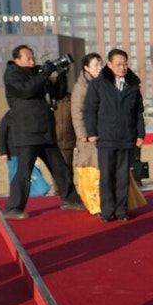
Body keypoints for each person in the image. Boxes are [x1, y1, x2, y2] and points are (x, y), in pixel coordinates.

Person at [2, 44, 84, 219]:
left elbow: (58, 95)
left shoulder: (37, 74)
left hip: (46, 130)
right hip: (27, 133)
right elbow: (27, 90)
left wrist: (61, 75)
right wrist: (45, 73)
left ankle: (70, 199)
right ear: (17, 60)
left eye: (33, 58)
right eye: (28, 58)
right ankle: (13, 207)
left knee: (60, 168)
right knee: (24, 171)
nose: (32, 62)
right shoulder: (12, 75)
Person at [84, 48, 145, 223]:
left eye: (125, 64)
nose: (122, 67)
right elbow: (90, 109)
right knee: (106, 176)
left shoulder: (133, 85)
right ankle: (107, 210)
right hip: (105, 137)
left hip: (127, 137)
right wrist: (92, 132)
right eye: (118, 64)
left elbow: (138, 113)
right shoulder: (98, 84)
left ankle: (121, 210)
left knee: (123, 177)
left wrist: (140, 134)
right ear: (109, 65)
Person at [71, 53, 104, 215]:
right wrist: (81, 133)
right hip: (87, 137)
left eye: (100, 64)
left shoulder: (103, 82)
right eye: (95, 65)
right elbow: (76, 111)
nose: (99, 67)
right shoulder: (81, 86)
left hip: (103, 133)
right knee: (91, 171)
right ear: (86, 68)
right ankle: (95, 205)